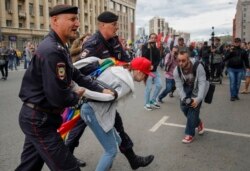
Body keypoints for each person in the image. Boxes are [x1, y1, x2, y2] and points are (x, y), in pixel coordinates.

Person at [15, 5, 113, 171]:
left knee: (29, 167)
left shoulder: (60, 46)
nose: (78, 24)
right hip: (39, 120)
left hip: (37, 117)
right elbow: (58, 96)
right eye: (72, 19)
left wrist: (99, 89)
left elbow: (75, 74)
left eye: (77, 19)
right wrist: (78, 96)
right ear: (55, 21)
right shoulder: (52, 50)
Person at [66, 11, 154, 170]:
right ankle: (67, 156)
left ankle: (131, 159)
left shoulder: (114, 41)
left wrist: (126, 72)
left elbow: (126, 60)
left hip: (107, 91)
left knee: (114, 127)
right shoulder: (92, 44)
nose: (117, 27)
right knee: (81, 123)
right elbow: (83, 70)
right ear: (102, 26)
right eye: (114, 25)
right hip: (93, 92)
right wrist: (97, 85)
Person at [76, 57, 154, 171]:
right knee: (111, 150)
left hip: (93, 110)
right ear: (138, 71)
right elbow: (107, 97)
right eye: (145, 75)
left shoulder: (116, 69)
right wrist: (85, 93)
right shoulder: (127, 83)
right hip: (93, 111)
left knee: (118, 140)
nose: (145, 78)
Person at [173, 50, 209, 143]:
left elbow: (202, 82)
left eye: (183, 60)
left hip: (198, 88)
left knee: (193, 109)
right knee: (184, 108)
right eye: (179, 61)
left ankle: (189, 134)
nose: (180, 63)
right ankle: (198, 122)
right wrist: (184, 98)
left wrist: (198, 98)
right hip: (186, 87)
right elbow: (179, 85)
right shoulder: (176, 70)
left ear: (188, 59)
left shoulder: (198, 66)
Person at [141, 33, 162, 110]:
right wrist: (148, 47)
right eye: (151, 38)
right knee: (148, 88)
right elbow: (143, 56)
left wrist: (154, 66)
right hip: (147, 71)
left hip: (155, 71)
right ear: (149, 38)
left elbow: (158, 59)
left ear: (156, 39)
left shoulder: (157, 49)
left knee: (159, 85)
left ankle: (153, 100)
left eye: (154, 38)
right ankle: (146, 104)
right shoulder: (145, 46)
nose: (153, 39)